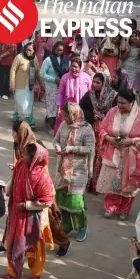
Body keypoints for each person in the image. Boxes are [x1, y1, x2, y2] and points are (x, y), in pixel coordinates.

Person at [0, 143, 55, 279]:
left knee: (36, 246)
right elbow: (15, 178)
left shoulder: (42, 177)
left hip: (35, 217)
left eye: (25, 155)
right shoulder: (21, 165)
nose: (22, 157)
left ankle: (36, 273)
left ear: (35, 158)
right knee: (15, 243)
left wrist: (26, 205)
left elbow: (47, 201)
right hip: (17, 213)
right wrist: (7, 189)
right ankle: (14, 272)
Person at [53, 103, 95, 242]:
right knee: (61, 199)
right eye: (63, 115)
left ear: (74, 115)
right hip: (63, 169)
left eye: (66, 115)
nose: (64, 118)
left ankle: (82, 226)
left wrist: (71, 149)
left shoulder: (86, 129)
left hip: (78, 170)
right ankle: (67, 225)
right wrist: (58, 147)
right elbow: (56, 140)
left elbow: (89, 149)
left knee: (76, 204)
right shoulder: (63, 125)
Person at [96, 88, 140, 221]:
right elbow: (101, 128)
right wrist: (109, 138)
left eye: (123, 103)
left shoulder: (139, 115)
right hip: (112, 152)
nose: (119, 105)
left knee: (129, 183)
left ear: (132, 102)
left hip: (132, 156)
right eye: (118, 102)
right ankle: (110, 207)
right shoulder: (112, 111)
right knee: (111, 181)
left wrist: (132, 141)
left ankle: (124, 210)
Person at [80, 73, 118, 193]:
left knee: (102, 158)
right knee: (91, 155)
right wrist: (93, 115)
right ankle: (89, 183)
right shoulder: (89, 95)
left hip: (107, 132)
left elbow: (117, 113)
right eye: (94, 82)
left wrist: (105, 118)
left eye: (98, 82)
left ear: (105, 83)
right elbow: (82, 109)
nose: (95, 84)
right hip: (92, 130)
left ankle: (98, 185)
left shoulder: (113, 96)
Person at [54, 57, 93, 134]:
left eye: (76, 67)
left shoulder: (87, 77)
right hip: (67, 107)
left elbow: (90, 93)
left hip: (81, 107)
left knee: (78, 127)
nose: (73, 68)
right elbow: (60, 93)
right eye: (72, 66)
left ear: (80, 67)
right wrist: (58, 107)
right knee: (67, 126)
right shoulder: (65, 77)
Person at [10, 42, 41, 127]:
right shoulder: (19, 57)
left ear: (34, 50)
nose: (28, 52)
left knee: (29, 103)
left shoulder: (34, 58)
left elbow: (37, 72)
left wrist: (41, 84)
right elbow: (13, 71)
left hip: (30, 86)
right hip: (20, 85)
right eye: (27, 50)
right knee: (21, 103)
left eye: (30, 50)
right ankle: (23, 121)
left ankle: (21, 118)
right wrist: (12, 84)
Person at [41, 42, 69, 128]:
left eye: (61, 50)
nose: (60, 52)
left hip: (62, 86)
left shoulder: (66, 59)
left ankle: (50, 120)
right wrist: (54, 79)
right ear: (54, 49)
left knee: (59, 105)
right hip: (51, 86)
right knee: (52, 104)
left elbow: (68, 71)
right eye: (58, 50)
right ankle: (51, 125)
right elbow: (42, 73)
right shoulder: (48, 60)